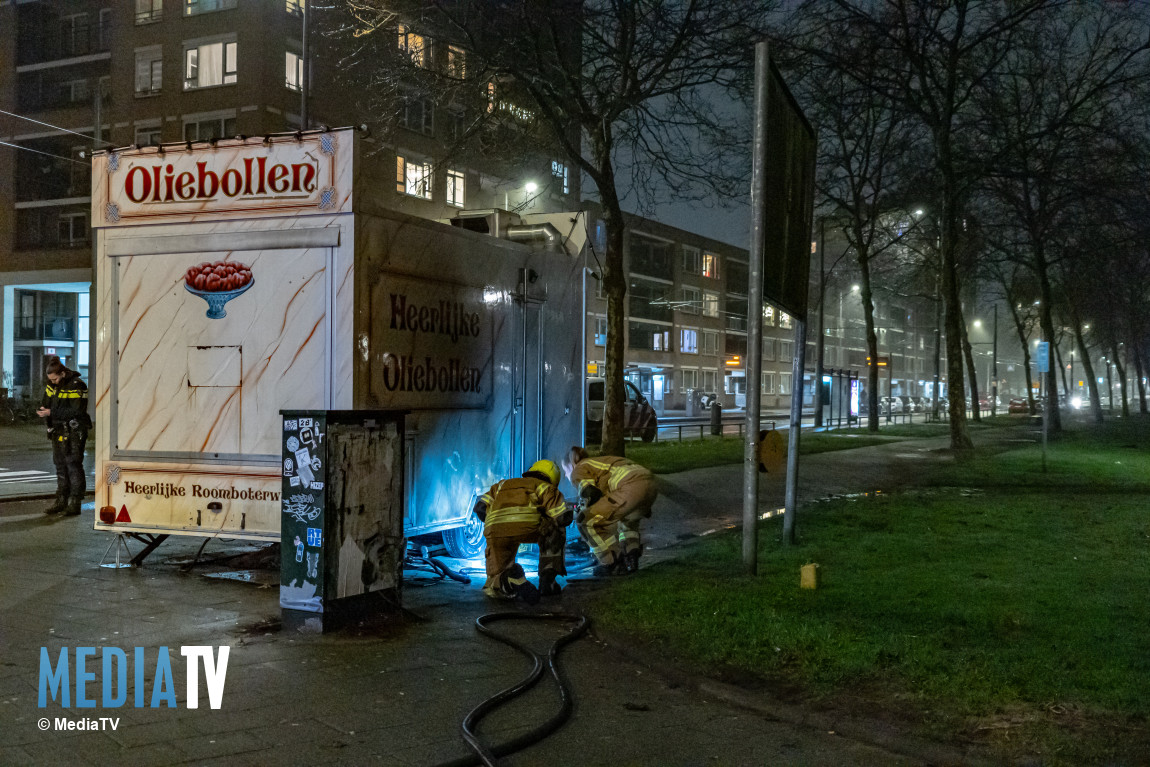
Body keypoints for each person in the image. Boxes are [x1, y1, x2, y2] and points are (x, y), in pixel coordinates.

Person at [474, 460, 571, 603]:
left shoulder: (501, 485)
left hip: (496, 530)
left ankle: (510, 579)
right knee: (556, 528)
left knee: (494, 584)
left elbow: (480, 508)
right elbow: (562, 518)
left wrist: (497, 528)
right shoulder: (546, 488)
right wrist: (571, 513)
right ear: (553, 479)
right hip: (529, 527)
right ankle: (547, 581)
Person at [563, 446, 657, 576]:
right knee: (627, 521)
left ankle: (609, 562)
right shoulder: (601, 462)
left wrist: (577, 512)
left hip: (629, 486)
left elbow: (591, 493)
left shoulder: (580, 468)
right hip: (649, 484)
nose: (565, 475)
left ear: (570, 465)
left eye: (565, 471)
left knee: (585, 520)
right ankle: (631, 557)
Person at [37, 358, 90, 516]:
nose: (53, 382)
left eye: (55, 378)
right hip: (58, 430)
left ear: (63, 373)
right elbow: (45, 402)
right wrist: (43, 410)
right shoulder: (52, 385)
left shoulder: (77, 385)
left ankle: (74, 503)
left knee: (73, 465)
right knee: (60, 466)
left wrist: (51, 413)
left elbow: (77, 411)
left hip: (74, 431)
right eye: (50, 380)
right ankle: (61, 500)